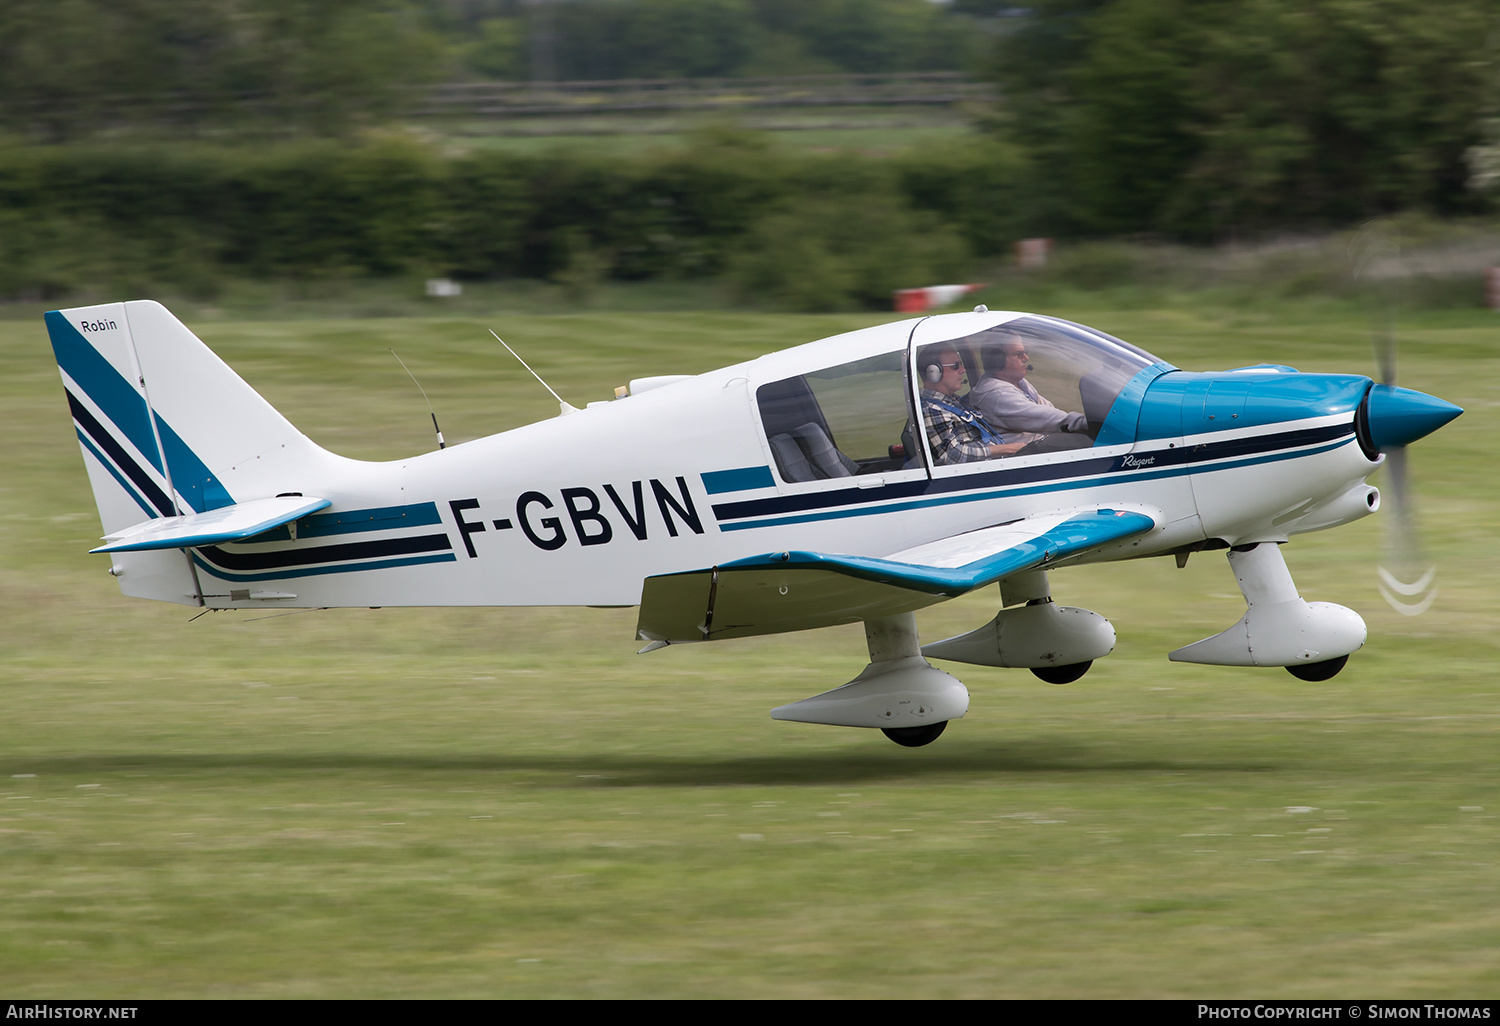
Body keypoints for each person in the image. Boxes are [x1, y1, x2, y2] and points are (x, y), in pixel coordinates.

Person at [967, 333, 1092, 452]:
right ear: (996, 360)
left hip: (1036, 448)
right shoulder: (997, 395)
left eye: (1025, 352)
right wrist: (1089, 423)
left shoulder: (1018, 383)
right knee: (1084, 442)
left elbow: (1048, 410)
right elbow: (1048, 419)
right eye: (1018, 354)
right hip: (1022, 458)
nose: (1026, 358)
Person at [918, 346, 1025, 465]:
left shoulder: (953, 402)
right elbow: (952, 455)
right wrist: (1007, 449)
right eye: (955, 366)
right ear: (933, 372)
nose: (963, 370)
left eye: (961, 364)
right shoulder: (931, 410)